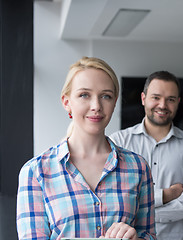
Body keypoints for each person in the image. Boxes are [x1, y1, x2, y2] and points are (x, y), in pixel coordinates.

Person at [16, 57, 156, 240]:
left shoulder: (138, 167)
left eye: (106, 96)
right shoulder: (36, 172)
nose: (96, 106)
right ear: (67, 102)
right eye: (84, 95)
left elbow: (149, 235)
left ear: (114, 103)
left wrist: (136, 238)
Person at [110, 71, 183, 240]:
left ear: (178, 102)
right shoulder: (118, 142)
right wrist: (166, 195)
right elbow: (113, 199)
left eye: (170, 99)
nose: (162, 105)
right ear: (143, 98)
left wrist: (140, 213)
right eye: (156, 97)